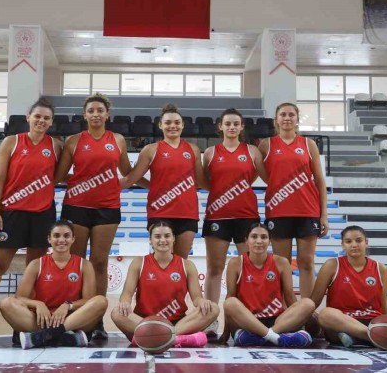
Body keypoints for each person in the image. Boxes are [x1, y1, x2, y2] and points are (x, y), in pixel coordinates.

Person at [54, 93, 146, 339]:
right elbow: (60, 175)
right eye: (91, 111)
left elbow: (126, 172)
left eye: (100, 110)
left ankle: (96, 320)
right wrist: (85, 182)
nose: (95, 114)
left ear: (107, 114)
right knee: (76, 263)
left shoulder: (117, 140)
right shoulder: (74, 141)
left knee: (99, 262)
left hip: (107, 207)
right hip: (76, 205)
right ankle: (75, 316)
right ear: (84, 115)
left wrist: (147, 183)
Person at [310, 225, 387, 349]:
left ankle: (362, 339)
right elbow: (314, 301)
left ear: (366, 242)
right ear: (343, 245)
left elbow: (382, 304)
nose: (354, 245)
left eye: (359, 240)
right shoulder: (332, 265)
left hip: (374, 322)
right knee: (326, 314)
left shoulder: (381, 269)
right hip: (344, 322)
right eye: (348, 241)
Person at [0, 97, 63, 299]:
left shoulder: (56, 146)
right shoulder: (11, 142)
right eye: (37, 116)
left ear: (51, 122)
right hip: (11, 212)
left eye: (46, 118)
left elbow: (60, 176)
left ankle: (27, 312)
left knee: (34, 269)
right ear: (28, 117)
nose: (41, 120)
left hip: (42, 214)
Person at [201, 108, 266, 330]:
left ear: (242, 127)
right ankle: (209, 320)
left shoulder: (252, 151)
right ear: (220, 126)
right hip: (217, 214)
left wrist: (237, 189)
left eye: (236, 123)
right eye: (227, 123)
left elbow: (257, 177)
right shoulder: (210, 153)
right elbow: (205, 181)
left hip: (247, 216)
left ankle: (247, 318)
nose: (232, 127)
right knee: (214, 268)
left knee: (248, 268)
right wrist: (223, 192)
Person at [0, 220, 108, 349]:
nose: (61, 240)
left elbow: (88, 300)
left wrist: (68, 306)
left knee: (101, 301)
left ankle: (43, 336)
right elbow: (20, 298)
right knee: (6, 303)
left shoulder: (84, 265)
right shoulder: (36, 264)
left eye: (66, 236)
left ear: (73, 239)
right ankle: (66, 338)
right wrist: (38, 304)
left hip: (72, 320)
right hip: (42, 320)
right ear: (49, 239)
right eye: (56, 236)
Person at [258, 102, 328, 298]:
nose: (287, 118)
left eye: (291, 115)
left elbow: (320, 181)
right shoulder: (266, 145)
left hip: (308, 210)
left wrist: (324, 215)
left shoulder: (308, 144)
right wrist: (280, 187)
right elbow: (265, 176)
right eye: (283, 114)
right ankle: (284, 307)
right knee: (282, 263)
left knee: (307, 262)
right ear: (276, 119)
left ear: (297, 119)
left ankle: (307, 308)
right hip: (278, 210)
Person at [111, 222, 219, 347]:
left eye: (167, 236)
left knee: (213, 309)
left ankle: (156, 338)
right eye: (157, 236)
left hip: (178, 323)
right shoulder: (139, 263)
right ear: (151, 240)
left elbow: (197, 298)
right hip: (144, 322)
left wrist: (202, 301)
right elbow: (127, 294)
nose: (163, 240)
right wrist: (124, 303)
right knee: (116, 313)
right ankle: (175, 338)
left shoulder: (187, 265)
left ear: (173, 238)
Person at [120, 103, 207, 259]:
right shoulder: (151, 150)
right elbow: (131, 178)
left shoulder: (193, 149)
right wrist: (104, 187)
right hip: (159, 211)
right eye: (168, 123)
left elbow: (201, 181)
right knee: (162, 260)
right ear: (160, 125)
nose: (173, 126)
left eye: (177, 122)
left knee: (180, 261)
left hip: (187, 213)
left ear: (183, 125)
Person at [223, 223, 315, 347]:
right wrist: (225, 333)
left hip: (277, 321)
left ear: (269, 241)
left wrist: (299, 318)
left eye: (264, 237)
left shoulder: (281, 262)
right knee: (230, 302)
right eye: (254, 236)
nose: (259, 241)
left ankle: (262, 337)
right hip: (248, 321)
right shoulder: (235, 263)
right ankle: (277, 338)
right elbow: (230, 297)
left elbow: (290, 298)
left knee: (308, 303)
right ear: (246, 241)